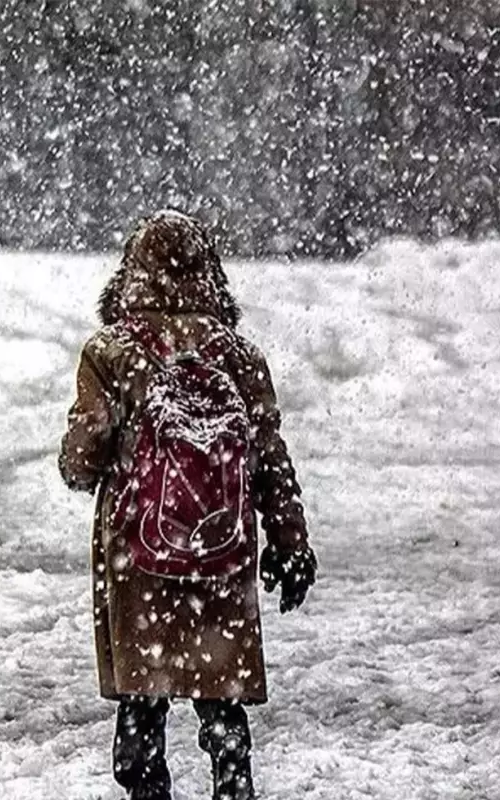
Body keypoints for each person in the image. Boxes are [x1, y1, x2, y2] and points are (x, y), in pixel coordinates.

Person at [58, 210, 317, 800]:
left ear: (131, 274)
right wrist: (290, 543)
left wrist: (78, 463)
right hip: (222, 555)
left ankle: (147, 787)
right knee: (221, 705)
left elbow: (87, 450)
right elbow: (270, 460)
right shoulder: (239, 357)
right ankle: (232, 785)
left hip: (139, 555)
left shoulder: (111, 353)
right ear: (210, 274)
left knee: (143, 705)